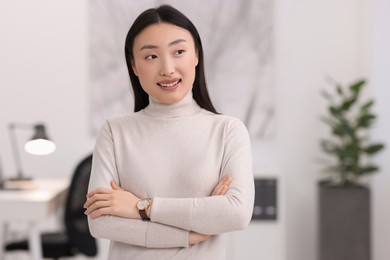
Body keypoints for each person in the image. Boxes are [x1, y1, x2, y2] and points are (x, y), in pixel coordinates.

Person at [84, 4, 254, 260]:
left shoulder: (227, 131)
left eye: (179, 52)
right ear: (134, 65)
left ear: (196, 55)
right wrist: (188, 234)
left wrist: (141, 207)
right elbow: (100, 223)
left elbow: (236, 213)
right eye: (151, 56)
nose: (167, 68)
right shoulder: (114, 132)